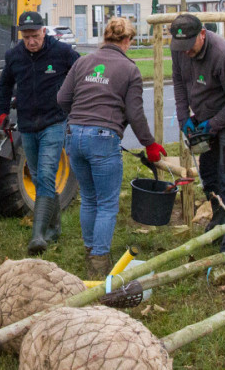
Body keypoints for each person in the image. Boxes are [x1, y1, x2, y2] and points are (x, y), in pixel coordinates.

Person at [57, 17, 165, 278]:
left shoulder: (82, 62)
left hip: (73, 135)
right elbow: (135, 113)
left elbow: (62, 99)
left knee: (89, 198)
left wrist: (81, 118)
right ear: (127, 40)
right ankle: (99, 263)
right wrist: (149, 144)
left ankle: (89, 249)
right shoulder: (130, 69)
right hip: (103, 138)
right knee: (107, 203)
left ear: (105, 37)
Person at [170, 13, 225, 252]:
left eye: (189, 46)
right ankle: (220, 223)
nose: (185, 52)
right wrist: (184, 118)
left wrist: (213, 124)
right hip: (206, 118)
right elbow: (178, 81)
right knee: (210, 176)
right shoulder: (179, 49)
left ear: (203, 34)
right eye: (180, 47)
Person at [0, 10, 80, 254]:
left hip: (54, 123)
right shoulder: (14, 56)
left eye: (35, 36)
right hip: (27, 125)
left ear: (44, 31)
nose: (31, 41)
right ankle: (54, 227)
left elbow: (82, 74)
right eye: (26, 37)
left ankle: (38, 236)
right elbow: (4, 84)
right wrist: (3, 113)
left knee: (45, 174)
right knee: (39, 177)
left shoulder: (62, 53)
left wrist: (77, 103)